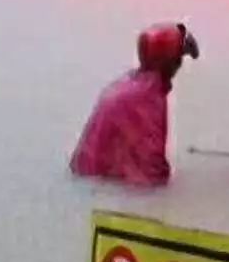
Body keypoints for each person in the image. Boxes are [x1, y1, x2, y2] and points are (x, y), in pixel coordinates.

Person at [70, 22, 199, 186]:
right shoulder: (147, 98)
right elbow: (151, 169)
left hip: (87, 176)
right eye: (178, 58)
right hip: (99, 187)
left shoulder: (129, 82)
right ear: (170, 61)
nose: (179, 64)